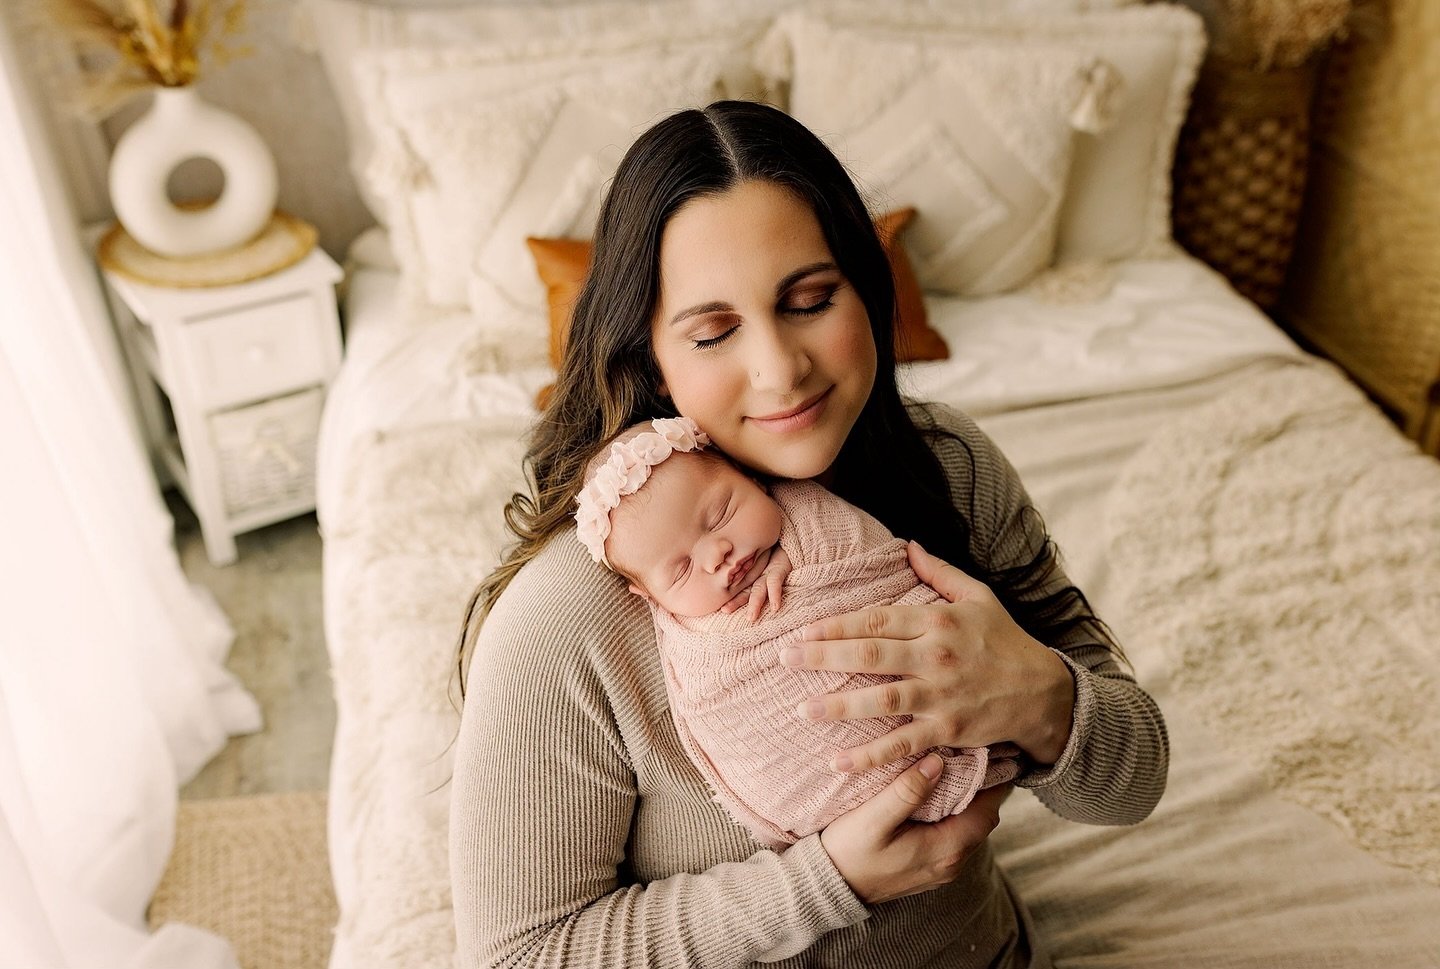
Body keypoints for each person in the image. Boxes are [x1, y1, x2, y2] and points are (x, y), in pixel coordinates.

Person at [450, 100, 1168, 968]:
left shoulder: (948, 467)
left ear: (867, 288)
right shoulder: (566, 619)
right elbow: (519, 954)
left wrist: (1043, 698)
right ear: (650, 355)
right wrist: (829, 881)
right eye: (713, 332)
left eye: (810, 300)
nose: (780, 369)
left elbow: (1134, 784)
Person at [571, 415, 1021, 851]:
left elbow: (872, 566)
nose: (717, 555)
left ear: (752, 479)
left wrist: (788, 560)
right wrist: (835, 874)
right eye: (682, 569)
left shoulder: (813, 518)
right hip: (839, 830)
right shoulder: (683, 645)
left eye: (721, 514)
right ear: (647, 595)